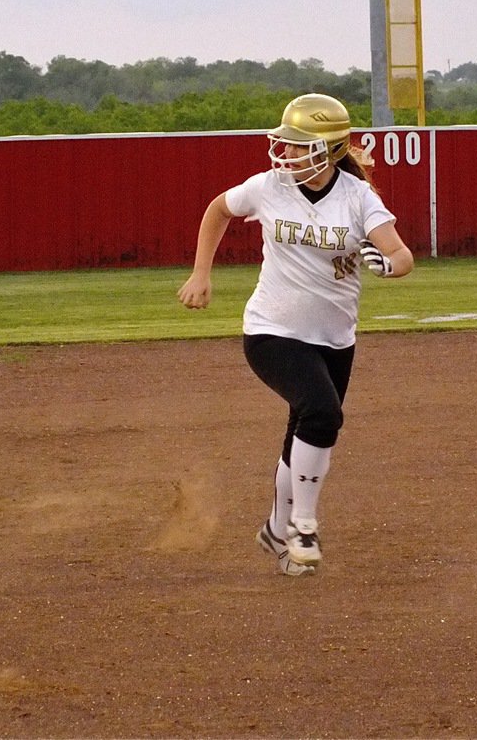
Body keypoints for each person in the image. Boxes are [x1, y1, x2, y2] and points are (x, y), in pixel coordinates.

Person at [177, 93, 414, 576]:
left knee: (306, 428)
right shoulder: (269, 186)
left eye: (299, 144)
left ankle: (275, 529)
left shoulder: (357, 197)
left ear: (329, 149)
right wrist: (201, 273)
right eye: (284, 142)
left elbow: (402, 255)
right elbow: (218, 210)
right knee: (322, 412)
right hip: (272, 330)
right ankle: (302, 526)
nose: (285, 152)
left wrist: (387, 265)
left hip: (334, 338)